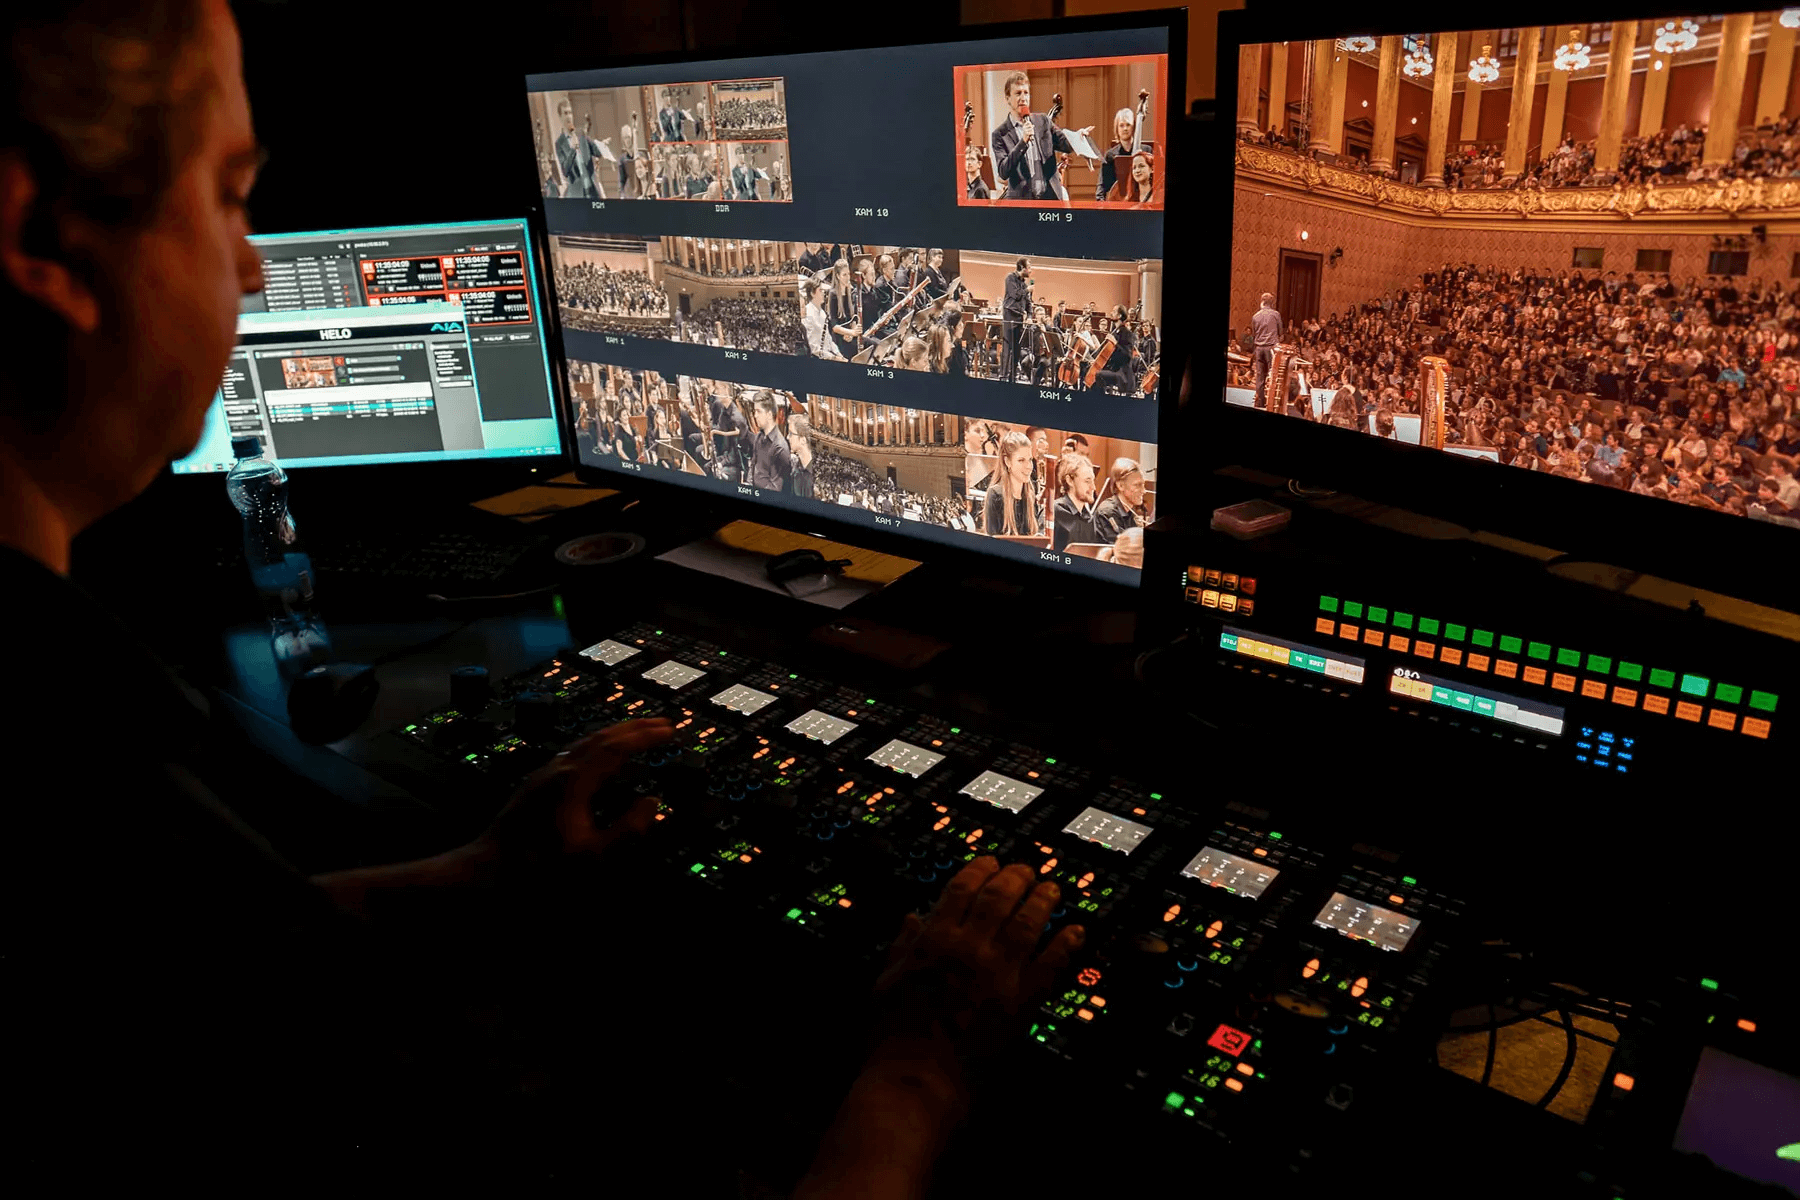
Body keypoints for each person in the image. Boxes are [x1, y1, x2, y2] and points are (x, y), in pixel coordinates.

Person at [989, 71, 1088, 201]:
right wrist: (1023, 142)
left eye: (1026, 93)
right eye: (1018, 93)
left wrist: (1077, 138)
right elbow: (1003, 172)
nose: (1023, 98)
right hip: (1021, 202)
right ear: (1007, 98)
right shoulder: (999, 134)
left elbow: (1065, 143)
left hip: (1050, 198)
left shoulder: (1043, 121)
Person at [983, 430, 1041, 536]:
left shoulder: (1030, 494)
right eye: (1021, 460)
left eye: (1030, 459)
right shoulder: (995, 494)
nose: (1029, 466)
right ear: (1007, 462)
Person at [554, 99, 606, 199]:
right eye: (565, 113)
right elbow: (565, 171)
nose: (569, 116)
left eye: (570, 113)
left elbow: (596, 152)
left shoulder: (581, 134)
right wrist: (572, 150)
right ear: (560, 117)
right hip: (577, 194)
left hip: (592, 189)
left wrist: (602, 145)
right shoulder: (559, 143)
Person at [748, 392, 797, 490]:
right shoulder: (759, 437)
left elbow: (775, 489)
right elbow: (752, 466)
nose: (755, 415)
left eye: (758, 411)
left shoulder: (780, 447)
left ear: (769, 414)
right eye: (754, 411)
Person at [1093, 458, 1149, 543]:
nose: (1143, 491)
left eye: (1143, 484)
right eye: (1137, 485)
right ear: (1120, 486)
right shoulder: (1107, 512)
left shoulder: (1129, 512)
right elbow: (1124, 546)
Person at [1052, 453, 1099, 550]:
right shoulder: (1055, 511)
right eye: (1087, 481)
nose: (1093, 487)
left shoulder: (1089, 517)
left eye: (1093, 481)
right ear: (1070, 481)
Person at [1001, 257, 1033, 383]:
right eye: (1029, 267)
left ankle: (1012, 377)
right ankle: (1003, 376)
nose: (1031, 270)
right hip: (1009, 314)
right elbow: (1015, 295)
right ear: (1022, 268)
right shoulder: (1010, 278)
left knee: (1016, 349)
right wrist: (1027, 290)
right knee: (1007, 347)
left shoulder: (1024, 284)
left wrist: (1029, 316)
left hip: (1019, 317)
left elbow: (1028, 303)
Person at [1096, 106, 1137, 202]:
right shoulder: (1110, 155)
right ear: (1117, 129)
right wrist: (1100, 202)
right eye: (1121, 125)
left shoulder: (1145, 150)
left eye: (1128, 125)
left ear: (1133, 127)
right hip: (1118, 201)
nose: (1125, 128)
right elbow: (1102, 184)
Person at [1252, 292, 1282, 409]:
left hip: (1259, 348)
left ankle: (1260, 404)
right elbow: (1280, 332)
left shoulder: (1255, 316)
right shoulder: (1276, 314)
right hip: (1271, 348)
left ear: (1262, 302)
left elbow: (1254, 334)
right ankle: (1270, 405)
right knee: (1272, 376)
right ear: (1272, 303)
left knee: (1260, 377)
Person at [803, 279, 844, 360]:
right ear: (812, 293)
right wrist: (834, 358)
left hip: (828, 354)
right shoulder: (808, 314)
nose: (823, 292)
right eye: (820, 290)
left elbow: (828, 339)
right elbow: (814, 348)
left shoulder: (822, 313)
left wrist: (839, 354)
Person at [788, 413, 816, 498]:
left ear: (803, 440)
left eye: (791, 433)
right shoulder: (794, 471)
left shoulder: (815, 475)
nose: (787, 437)